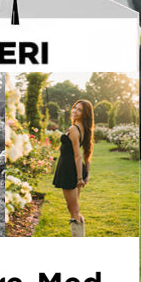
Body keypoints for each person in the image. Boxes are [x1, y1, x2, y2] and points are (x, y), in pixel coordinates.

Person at [51, 99, 94, 237]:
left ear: (85, 114)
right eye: (75, 108)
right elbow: (88, 154)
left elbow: (78, 156)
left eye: (79, 110)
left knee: (74, 210)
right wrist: (87, 174)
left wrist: (80, 178)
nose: (75, 111)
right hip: (74, 170)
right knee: (73, 208)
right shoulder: (83, 129)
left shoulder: (74, 129)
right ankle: (80, 232)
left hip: (70, 170)